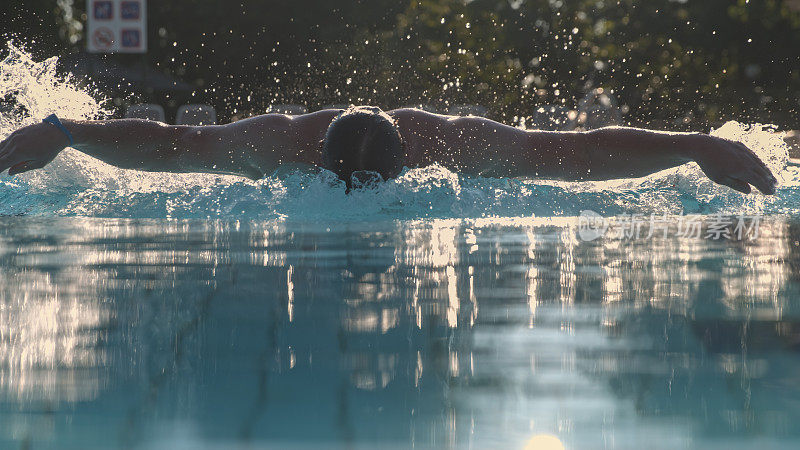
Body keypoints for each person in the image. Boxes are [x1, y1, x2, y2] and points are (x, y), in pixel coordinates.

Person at [0, 105, 778, 194]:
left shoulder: (460, 143)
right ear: (320, 165)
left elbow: (573, 151)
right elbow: (172, 146)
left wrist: (692, 145)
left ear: (413, 162)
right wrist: (63, 130)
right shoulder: (280, 142)